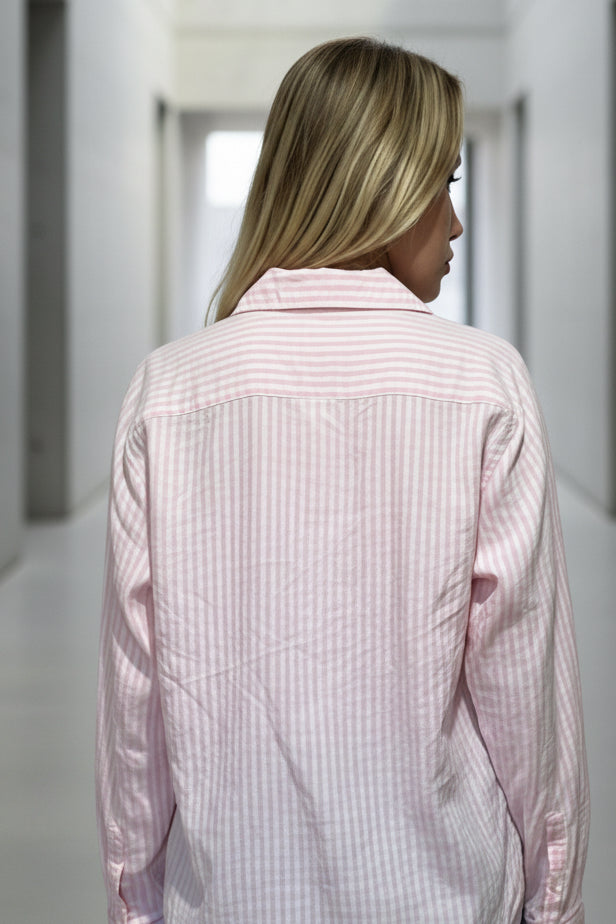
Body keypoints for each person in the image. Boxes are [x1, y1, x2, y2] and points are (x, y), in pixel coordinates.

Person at [96, 37, 589, 923]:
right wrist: (554, 903)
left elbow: (136, 713)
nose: (456, 223)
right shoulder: (484, 385)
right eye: (443, 183)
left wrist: (136, 906)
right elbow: (526, 696)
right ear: (380, 186)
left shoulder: (166, 394)